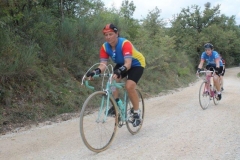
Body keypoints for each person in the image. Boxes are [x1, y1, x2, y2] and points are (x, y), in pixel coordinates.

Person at [86, 24, 146, 127]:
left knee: (129, 86)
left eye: (111, 34)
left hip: (136, 64)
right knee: (112, 81)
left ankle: (136, 113)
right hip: (122, 64)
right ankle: (116, 103)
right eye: (106, 35)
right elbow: (103, 65)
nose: (108, 37)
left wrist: (120, 71)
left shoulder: (125, 43)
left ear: (116, 34)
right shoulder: (105, 47)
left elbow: (128, 63)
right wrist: (95, 72)